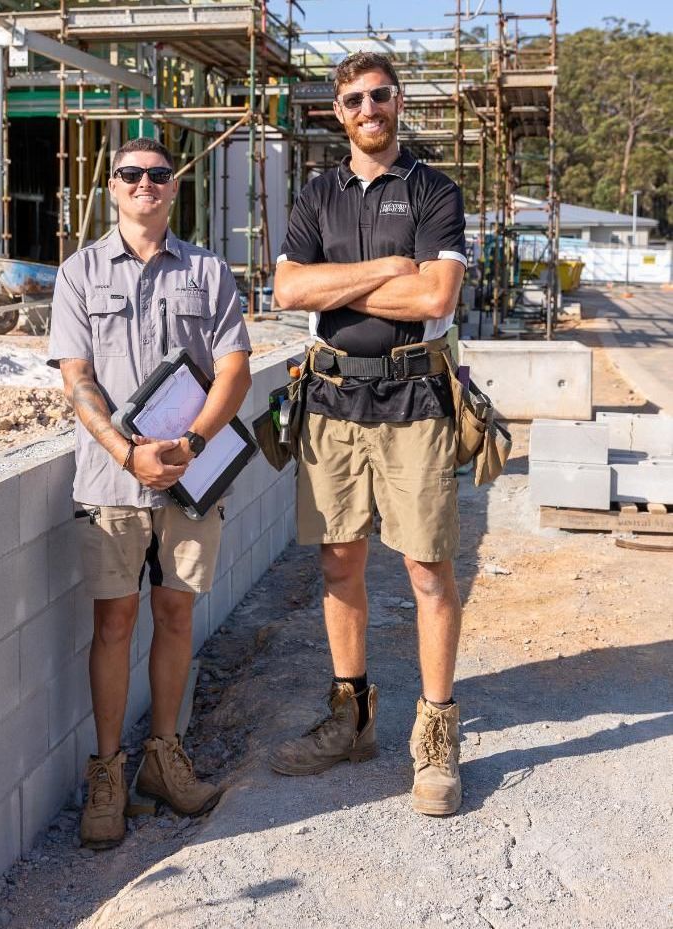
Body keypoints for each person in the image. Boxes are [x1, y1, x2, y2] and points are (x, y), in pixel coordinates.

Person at [270, 52, 468, 816]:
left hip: (414, 396)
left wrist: (343, 278)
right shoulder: (317, 193)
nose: (367, 107)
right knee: (337, 560)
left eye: (378, 94)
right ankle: (350, 723)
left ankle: (437, 738)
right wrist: (390, 264)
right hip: (329, 400)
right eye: (351, 97)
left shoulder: (433, 190)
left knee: (426, 568)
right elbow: (288, 287)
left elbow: (433, 294)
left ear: (397, 99)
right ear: (336, 111)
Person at [48, 137, 251, 848]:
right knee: (114, 623)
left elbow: (234, 370)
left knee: (174, 614)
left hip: (189, 476)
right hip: (111, 479)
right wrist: (126, 453)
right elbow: (75, 376)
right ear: (112, 186)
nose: (145, 184)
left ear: (173, 188)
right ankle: (107, 774)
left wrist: (190, 444)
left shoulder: (207, 270)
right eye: (131, 174)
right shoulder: (77, 273)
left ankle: (164, 758)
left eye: (157, 175)